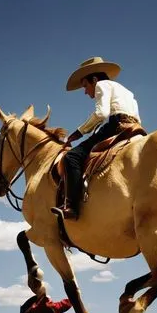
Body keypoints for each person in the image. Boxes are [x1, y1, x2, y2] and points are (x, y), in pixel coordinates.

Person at [51, 56, 142, 220]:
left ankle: (71, 206)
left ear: (94, 79)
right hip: (136, 128)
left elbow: (102, 113)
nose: (86, 91)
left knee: (72, 157)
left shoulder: (101, 85)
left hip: (116, 126)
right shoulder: (126, 91)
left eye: (85, 85)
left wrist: (77, 133)